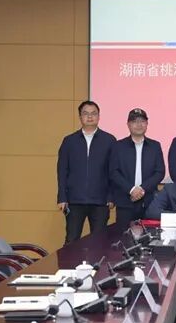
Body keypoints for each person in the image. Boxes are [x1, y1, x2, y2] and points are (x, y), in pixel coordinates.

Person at [57, 101, 116, 244]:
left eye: (94, 113)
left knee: (99, 242)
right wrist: (62, 197)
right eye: (86, 113)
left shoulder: (109, 140)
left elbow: (113, 171)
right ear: (80, 117)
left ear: (99, 116)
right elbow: (62, 170)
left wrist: (111, 196)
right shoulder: (69, 141)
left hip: (101, 201)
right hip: (74, 200)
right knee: (71, 240)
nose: (90, 117)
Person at [109, 108, 165, 231]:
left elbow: (160, 171)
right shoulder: (118, 146)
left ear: (147, 124)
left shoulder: (155, 146)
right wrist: (132, 189)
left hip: (149, 201)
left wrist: (142, 189)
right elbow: (113, 172)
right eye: (134, 121)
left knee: (151, 236)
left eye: (142, 121)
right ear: (128, 124)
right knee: (124, 236)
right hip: (125, 201)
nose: (139, 125)